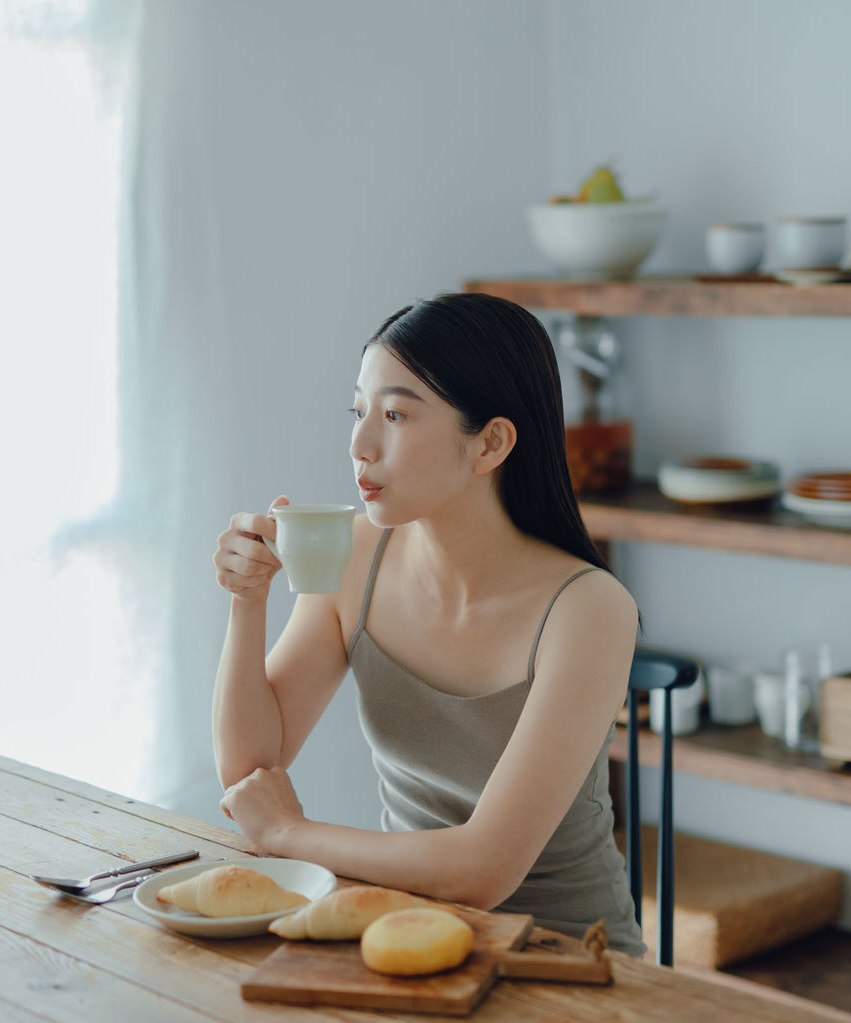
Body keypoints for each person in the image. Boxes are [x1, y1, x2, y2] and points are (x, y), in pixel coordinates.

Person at [212, 292, 644, 955]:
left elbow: (482, 871)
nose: (359, 444)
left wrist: (288, 835)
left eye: (394, 414)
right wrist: (248, 600)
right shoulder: (355, 557)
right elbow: (249, 771)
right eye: (358, 412)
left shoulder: (590, 610)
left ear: (491, 443)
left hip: (563, 958)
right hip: (403, 932)